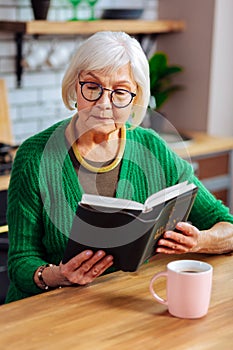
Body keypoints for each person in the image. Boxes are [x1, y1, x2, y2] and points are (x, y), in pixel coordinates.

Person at [6, 31, 233, 303]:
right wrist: (58, 275)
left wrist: (200, 241)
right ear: (74, 88)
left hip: (125, 306)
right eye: (92, 87)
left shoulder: (152, 148)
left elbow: (227, 227)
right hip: (50, 310)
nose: (104, 104)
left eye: (120, 92)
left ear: (136, 99)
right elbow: (21, 262)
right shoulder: (34, 156)